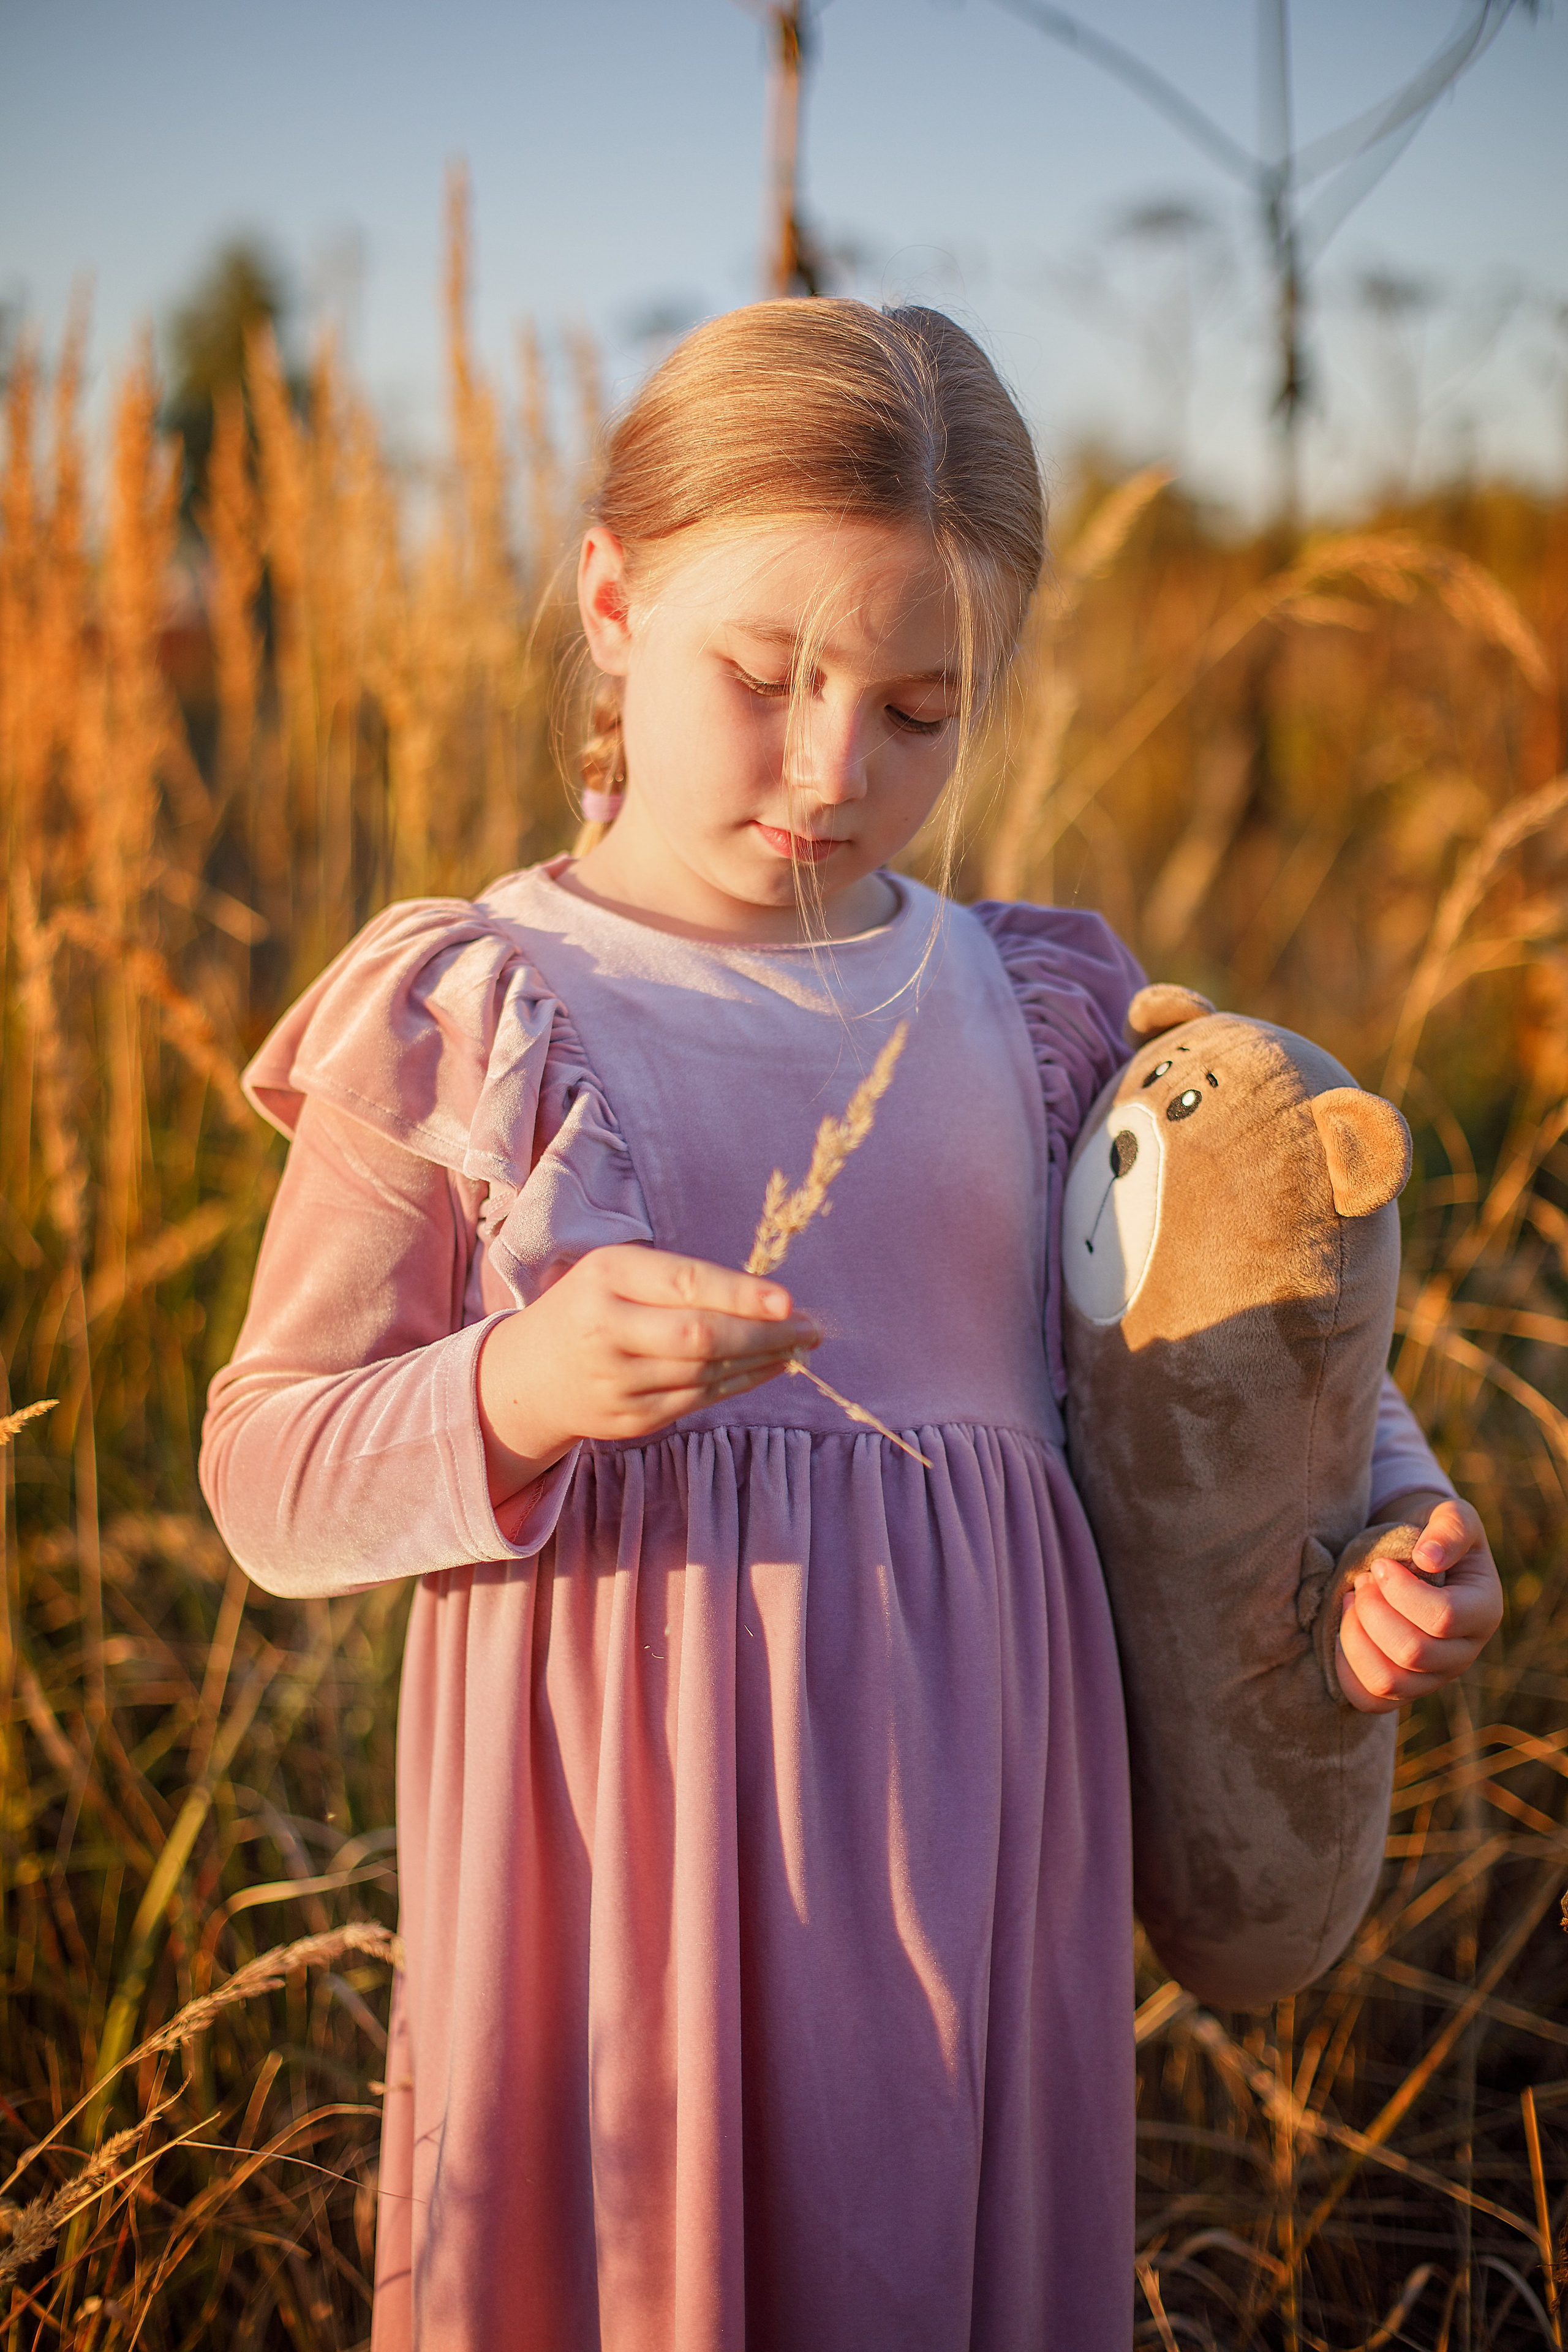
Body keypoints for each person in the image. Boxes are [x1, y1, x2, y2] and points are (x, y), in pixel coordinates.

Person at [200, 300, 1502, 2352]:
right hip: (620, 1887)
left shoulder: (1032, 1007)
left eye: (920, 707)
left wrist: (1390, 1538)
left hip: (983, 1856)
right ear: (615, 601)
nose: (836, 769)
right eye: (771, 677)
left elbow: (1229, 1341)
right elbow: (269, 1474)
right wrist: (518, 1389)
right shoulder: (477, 1014)